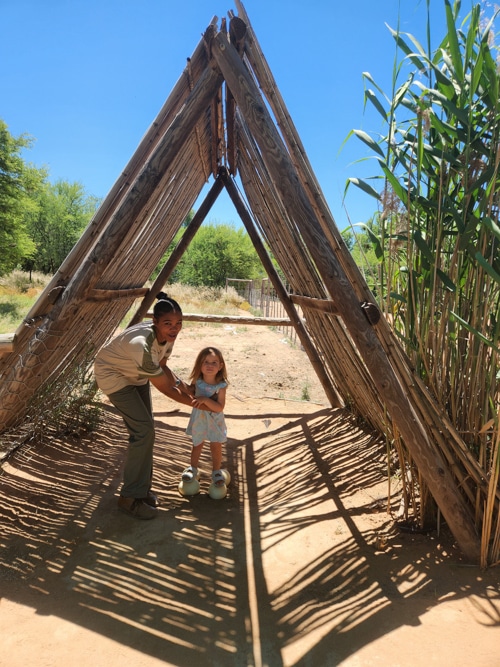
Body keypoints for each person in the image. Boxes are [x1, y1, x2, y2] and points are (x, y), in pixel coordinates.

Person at [94, 291, 197, 520]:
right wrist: (197, 404)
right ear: (155, 323)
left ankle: (141, 491)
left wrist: (186, 388)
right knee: (143, 431)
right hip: (113, 376)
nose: (174, 328)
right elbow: (163, 388)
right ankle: (129, 498)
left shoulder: (167, 338)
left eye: (179, 323)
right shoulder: (142, 344)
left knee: (147, 430)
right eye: (168, 323)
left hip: (136, 375)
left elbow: (162, 367)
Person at [182, 346, 229, 488]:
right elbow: (190, 392)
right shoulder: (197, 380)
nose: (210, 365)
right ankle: (193, 469)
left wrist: (205, 400)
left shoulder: (221, 386)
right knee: (197, 444)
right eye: (206, 362)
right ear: (199, 365)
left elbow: (219, 407)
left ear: (220, 366)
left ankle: (216, 472)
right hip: (199, 419)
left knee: (216, 445)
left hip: (215, 420)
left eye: (214, 362)